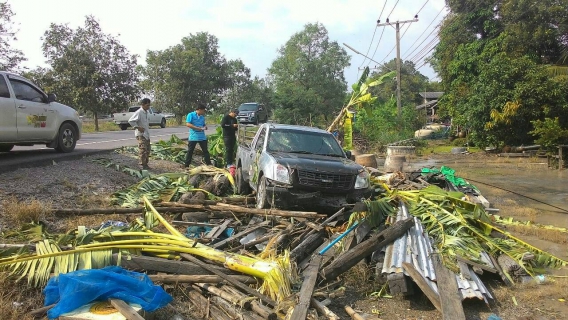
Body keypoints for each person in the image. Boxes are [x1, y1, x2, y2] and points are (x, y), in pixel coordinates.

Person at [184, 103, 211, 168]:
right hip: (193, 136)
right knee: (190, 151)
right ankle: (186, 165)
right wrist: (197, 128)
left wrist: (205, 127)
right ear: (199, 109)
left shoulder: (202, 117)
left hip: (202, 137)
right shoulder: (191, 115)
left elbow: (203, 124)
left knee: (205, 151)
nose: (204, 112)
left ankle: (209, 164)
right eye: (203, 110)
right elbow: (188, 124)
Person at [128, 98, 152, 170]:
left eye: (149, 105)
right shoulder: (139, 112)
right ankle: (142, 165)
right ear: (143, 105)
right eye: (147, 105)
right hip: (141, 134)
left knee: (147, 150)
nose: (148, 107)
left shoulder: (146, 112)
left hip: (146, 134)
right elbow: (131, 121)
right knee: (142, 149)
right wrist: (138, 127)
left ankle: (146, 164)